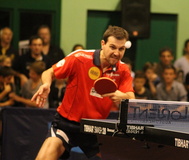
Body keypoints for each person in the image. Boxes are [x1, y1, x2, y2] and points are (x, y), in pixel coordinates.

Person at [31, 26, 135, 160]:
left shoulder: (123, 70)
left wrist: (123, 97)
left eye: (121, 49)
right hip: (67, 124)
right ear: (103, 44)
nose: (117, 53)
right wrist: (46, 84)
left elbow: (131, 99)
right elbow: (49, 72)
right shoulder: (79, 58)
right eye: (113, 47)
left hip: (96, 129)